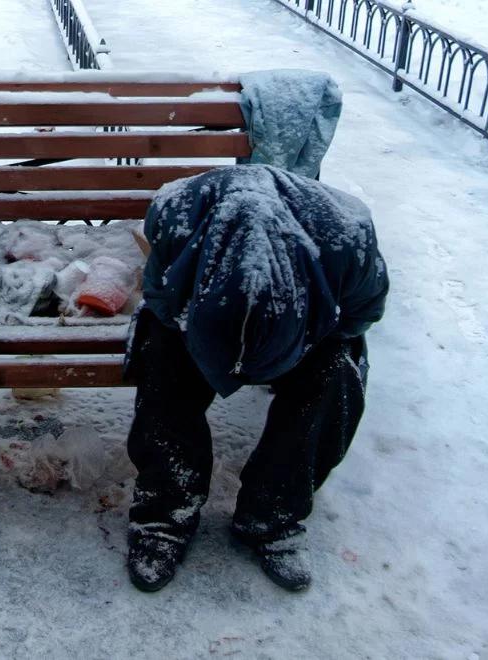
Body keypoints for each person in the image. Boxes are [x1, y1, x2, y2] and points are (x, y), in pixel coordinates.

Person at [125, 164, 389, 592]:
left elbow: (361, 316)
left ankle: (272, 513)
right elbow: (158, 298)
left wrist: (305, 346)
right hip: (193, 312)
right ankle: (164, 509)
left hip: (312, 323)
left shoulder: (348, 237)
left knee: (337, 372)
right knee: (160, 354)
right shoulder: (176, 215)